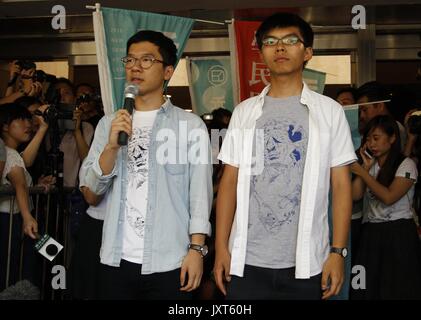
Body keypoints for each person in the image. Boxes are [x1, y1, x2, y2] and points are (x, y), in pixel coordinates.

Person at [213, 12, 356, 300]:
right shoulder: (245, 112)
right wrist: (221, 250)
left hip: (307, 261)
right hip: (246, 261)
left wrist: (338, 252)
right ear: (262, 52)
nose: (280, 47)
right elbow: (229, 182)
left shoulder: (329, 111)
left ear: (308, 52)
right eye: (271, 41)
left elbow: (341, 186)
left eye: (291, 40)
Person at [82, 30, 213, 300]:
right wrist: (111, 147)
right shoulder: (109, 124)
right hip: (115, 259)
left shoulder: (190, 126)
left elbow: (200, 195)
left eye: (146, 60)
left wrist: (196, 250)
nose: (135, 67)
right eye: (129, 60)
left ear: (167, 71)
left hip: (170, 260)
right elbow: (91, 195)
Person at [351, 115, 421, 299]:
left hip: (398, 232)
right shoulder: (370, 164)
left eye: (376, 138)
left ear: (392, 138)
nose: (371, 144)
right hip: (372, 231)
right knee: (367, 285)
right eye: (368, 139)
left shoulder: (406, 164)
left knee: (397, 286)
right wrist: (364, 169)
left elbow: (389, 197)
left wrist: (362, 174)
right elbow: (355, 195)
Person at [0, 104, 54, 290]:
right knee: (21, 269)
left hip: (21, 218)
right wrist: (27, 217)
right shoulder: (8, 153)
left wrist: (36, 186)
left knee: (44, 255)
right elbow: (20, 184)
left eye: (28, 119)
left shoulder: (12, 154)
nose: (28, 124)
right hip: (14, 221)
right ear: (5, 126)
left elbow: (26, 161)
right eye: (21, 120)